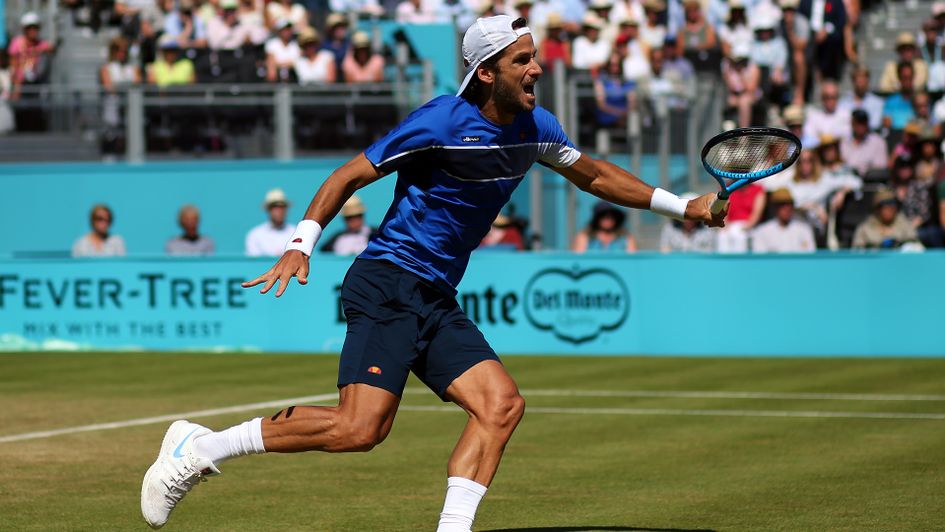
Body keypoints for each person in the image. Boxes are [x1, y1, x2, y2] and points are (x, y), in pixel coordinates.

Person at [140, 15, 724, 531]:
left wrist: (685, 206)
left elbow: (595, 177)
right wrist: (301, 243)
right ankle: (200, 447)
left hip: (435, 293)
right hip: (389, 279)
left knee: (500, 406)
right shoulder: (440, 121)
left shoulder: (537, 127)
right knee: (360, 429)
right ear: (487, 72)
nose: (537, 68)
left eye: (535, 56)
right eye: (522, 59)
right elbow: (348, 175)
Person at [750, 188, 816, 253]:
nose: (787, 208)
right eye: (782, 205)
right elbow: (760, 260)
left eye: (789, 204)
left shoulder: (804, 229)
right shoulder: (762, 232)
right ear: (774, 207)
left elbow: (811, 256)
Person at [851, 188, 920, 249]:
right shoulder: (865, 228)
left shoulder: (905, 225)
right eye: (885, 206)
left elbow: (916, 246)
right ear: (877, 209)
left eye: (892, 205)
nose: (889, 209)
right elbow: (857, 250)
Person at [245, 188, 296, 256]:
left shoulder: (296, 233)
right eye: (274, 206)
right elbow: (254, 262)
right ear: (268, 209)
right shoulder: (255, 234)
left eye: (282, 206)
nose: (279, 210)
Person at [572, 201, 639, 252]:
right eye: (603, 216)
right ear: (597, 219)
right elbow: (579, 259)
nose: (608, 219)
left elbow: (633, 260)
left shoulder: (625, 238)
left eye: (611, 216)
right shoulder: (585, 236)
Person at [721, 43, 760, 128]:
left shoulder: (753, 68)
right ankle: (727, 130)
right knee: (728, 101)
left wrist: (741, 74)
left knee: (744, 101)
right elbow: (729, 87)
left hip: (750, 95)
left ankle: (743, 132)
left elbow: (751, 88)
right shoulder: (728, 66)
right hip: (734, 95)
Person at [840, 109, 887, 176]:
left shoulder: (878, 142)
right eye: (858, 122)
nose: (860, 126)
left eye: (863, 123)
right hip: (847, 179)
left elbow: (880, 167)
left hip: (869, 181)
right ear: (852, 123)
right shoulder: (844, 142)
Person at [594, 52, 636, 128]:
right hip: (607, 116)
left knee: (634, 120)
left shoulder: (626, 81)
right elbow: (601, 104)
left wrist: (624, 113)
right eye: (611, 64)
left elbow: (632, 103)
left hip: (624, 116)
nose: (614, 67)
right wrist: (618, 113)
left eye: (617, 64)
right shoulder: (601, 81)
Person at [839, 67, 884, 131]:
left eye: (863, 78)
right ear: (853, 81)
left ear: (868, 80)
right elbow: (842, 124)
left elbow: (875, 125)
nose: (861, 82)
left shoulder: (878, 103)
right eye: (858, 78)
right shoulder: (843, 103)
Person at [882, 62, 918, 131]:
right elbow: (887, 125)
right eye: (904, 78)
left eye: (910, 77)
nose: (907, 81)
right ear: (899, 78)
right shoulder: (890, 102)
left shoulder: (919, 101)